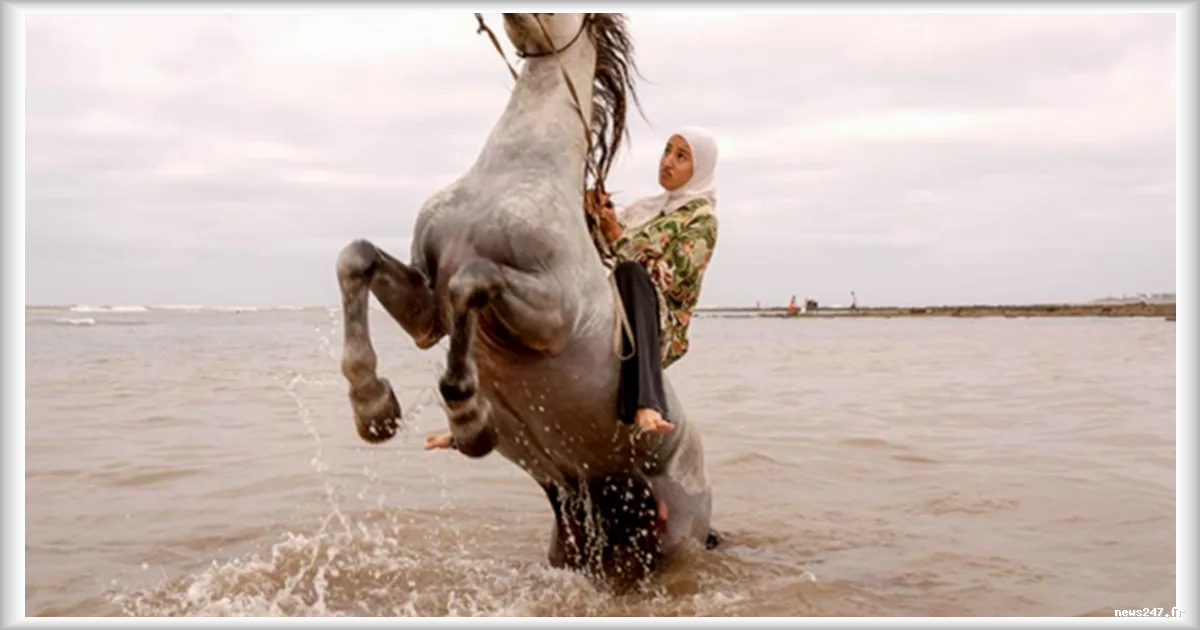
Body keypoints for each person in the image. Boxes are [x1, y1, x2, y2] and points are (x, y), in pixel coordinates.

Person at [425, 127, 720, 449]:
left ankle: (647, 402)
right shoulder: (648, 208)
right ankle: (475, 423)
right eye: (667, 151)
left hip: (656, 317)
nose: (668, 162)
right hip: (615, 295)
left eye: (681, 157)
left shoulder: (702, 219)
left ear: (699, 169)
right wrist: (593, 218)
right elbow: (599, 251)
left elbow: (673, 278)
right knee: (545, 311)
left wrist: (617, 236)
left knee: (632, 273)